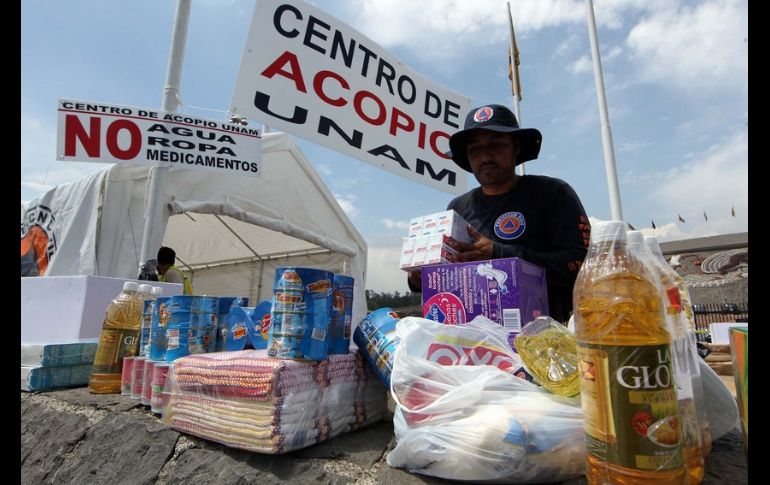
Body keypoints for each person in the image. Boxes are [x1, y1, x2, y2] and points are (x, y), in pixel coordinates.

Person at [408, 104, 590, 323]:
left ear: (517, 147)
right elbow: (452, 277)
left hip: (543, 339)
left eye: (496, 144)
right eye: (474, 149)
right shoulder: (458, 207)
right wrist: (421, 278)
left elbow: (583, 265)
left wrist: (498, 253)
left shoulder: (552, 194)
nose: (485, 156)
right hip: (472, 339)